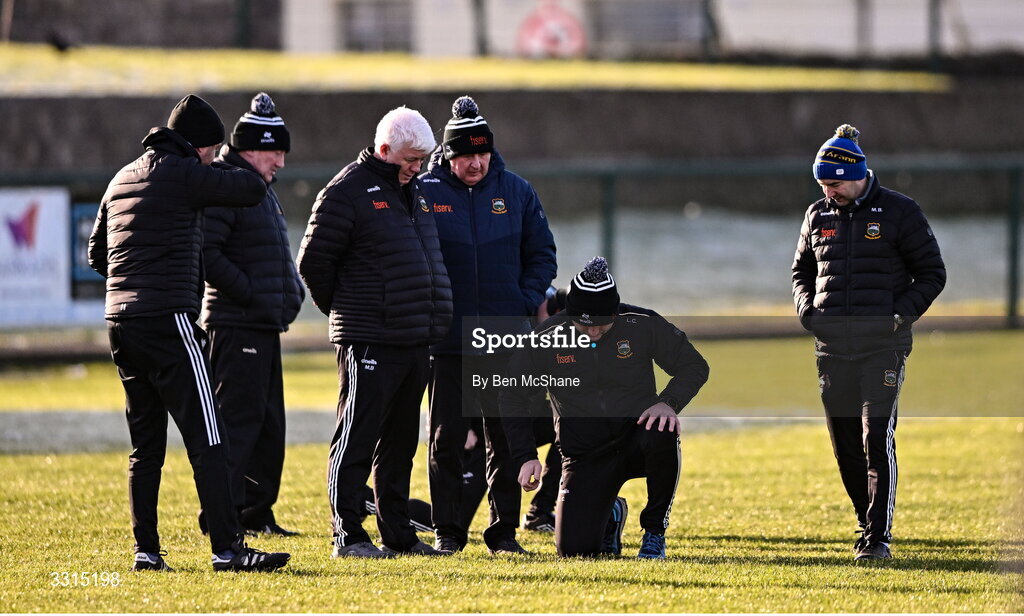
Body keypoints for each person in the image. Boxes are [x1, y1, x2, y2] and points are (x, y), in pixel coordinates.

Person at [87, 94, 290, 572]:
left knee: (146, 446)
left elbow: (98, 255)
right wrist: (224, 164)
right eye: (211, 149)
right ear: (199, 146)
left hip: (120, 322)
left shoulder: (121, 178)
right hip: (169, 319)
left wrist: (135, 279)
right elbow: (251, 189)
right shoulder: (184, 174)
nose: (211, 157)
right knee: (208, 436)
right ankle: (227, 548)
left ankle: (147, 550)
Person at [296, 106, 453, 558]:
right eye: (410, 159)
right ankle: (348, 534)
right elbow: (313, 262)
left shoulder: (415, 190)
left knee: (401, 443)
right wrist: (351, 313)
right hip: (369, 338)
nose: (417, 168)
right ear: (384, 149)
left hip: (414, 337)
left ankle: (398, 533)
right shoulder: (346, 192)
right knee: (357, 435)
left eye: (422, 160)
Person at [792, 124, 946, 561]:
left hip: (884, 348)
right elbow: (800, 272)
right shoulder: (816, 215)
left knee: (875, 437)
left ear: (858, 174)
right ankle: (865, 522)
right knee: (844, 444)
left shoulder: (901, 212)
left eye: (835, 183)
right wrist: (808, 312)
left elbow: (933, 274)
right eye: (822, 184)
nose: (829, 192)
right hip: (831, 350)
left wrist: (897, 317)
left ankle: (878, 538)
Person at [420, 95, 557, 555]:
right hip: (448, 340)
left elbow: (543, 256)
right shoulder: (424, 192)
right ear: (449, 154)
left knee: (506, 437)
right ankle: (448, 532)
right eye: (465, 154)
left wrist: (521, 301)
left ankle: (504, 532)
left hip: (505, 338)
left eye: (482, 152)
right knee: (446, 438)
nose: (475, 162)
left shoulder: (517, 192)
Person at [501, 257, 710, 558]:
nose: (594, 333)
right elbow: (513, 395)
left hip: (636, 440)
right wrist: (525, 456)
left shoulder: (642, 324)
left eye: (602, 325)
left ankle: (654, 532)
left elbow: (694, 365)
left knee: (663, 430)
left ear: (616, 312)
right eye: (584, 325)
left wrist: (668, 402)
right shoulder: (546, 338)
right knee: (574, 551)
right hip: (584, 454)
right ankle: (611, 513)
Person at [199, 92, 304, 537]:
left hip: (261, 325)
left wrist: (290, 293)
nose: (280, 161)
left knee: (267, 427)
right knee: (238, 427)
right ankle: (225, 519)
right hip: (236, 323)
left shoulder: (259, 189)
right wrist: (253, 295)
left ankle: (256, 514)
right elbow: (207, 254)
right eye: (275, 151)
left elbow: (273, 257)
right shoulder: (228, 185)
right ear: (252, 147)